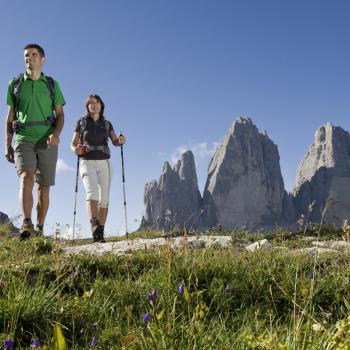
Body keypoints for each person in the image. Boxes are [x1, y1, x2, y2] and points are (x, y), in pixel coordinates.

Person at [5, 43, 65, 239]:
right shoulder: (15, 84)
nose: (28, 58)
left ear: (42, 59)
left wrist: (56, 134)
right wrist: (7, 144)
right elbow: (10, 116)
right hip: (23, 139)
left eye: (33, 54)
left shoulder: (51, 84)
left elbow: (60, 114)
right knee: (26, 178)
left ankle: (39, 227)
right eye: (26, 55)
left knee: (44, 189)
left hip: (47, 140)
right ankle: (26, 224)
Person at [70, 94, 125, 242]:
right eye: (91, 103)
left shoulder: (107, 124)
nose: (94, 105)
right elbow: (73, 143)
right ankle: (94, 225)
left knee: (104, 198)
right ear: (88, 106)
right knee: (91, 192)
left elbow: (115, 141)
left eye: (97, 102)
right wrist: (76, 150)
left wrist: (121, 140)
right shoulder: (81, 123)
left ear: (101, 105)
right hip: (86, 161)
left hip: (105, 163)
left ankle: (100, 233)